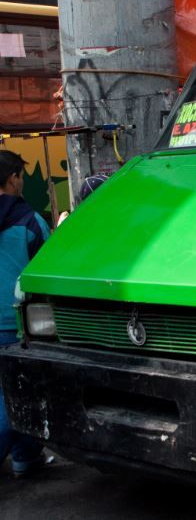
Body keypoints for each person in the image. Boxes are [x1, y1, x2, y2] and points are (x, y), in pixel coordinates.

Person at [0, 150, 51, 477]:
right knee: (20, 394)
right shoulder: (31, 222)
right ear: (14, 178)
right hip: (15, 325)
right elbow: (47, 270)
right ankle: (23, 455)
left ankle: (25, 456)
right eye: (20, 175)